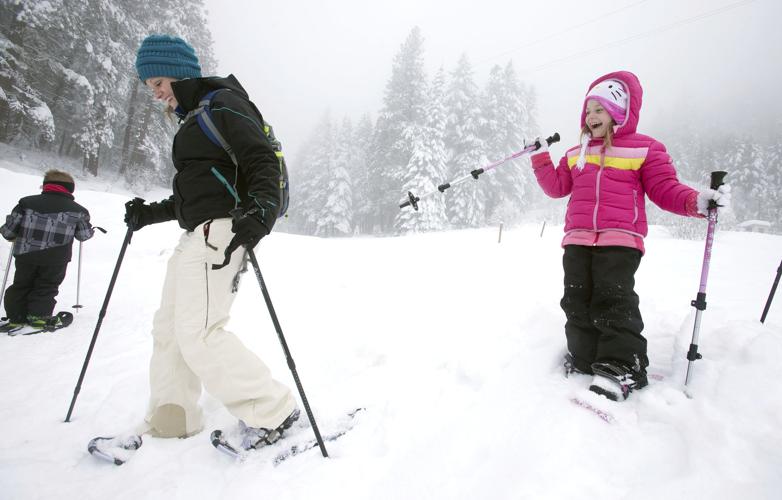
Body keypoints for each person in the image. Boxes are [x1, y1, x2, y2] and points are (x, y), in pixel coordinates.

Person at [125, 34, 298, 447]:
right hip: (197, 233)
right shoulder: (194, 118)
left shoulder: (223, 104)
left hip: (223, 232)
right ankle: (172, 417)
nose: (156, 93)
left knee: (199, 331)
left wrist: (261, 211)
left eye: (158, 83)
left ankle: (273, 410)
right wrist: (150, 214)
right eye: (150, 87)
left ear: (178, 73)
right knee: (169, 327)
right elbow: (202, 193)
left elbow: (260, 158)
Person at [529, 70, 730, 401]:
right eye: (588, 109)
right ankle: (584, 357)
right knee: (576, 300)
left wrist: (696, 201)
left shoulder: (644, 148)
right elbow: (556, 187)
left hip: (619, 239)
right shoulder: (576, 152)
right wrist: (539, 158)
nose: (591, 116)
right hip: (577, 238)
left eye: (600, 109)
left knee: (613, 300)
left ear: (618, 112)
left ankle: (623, 366)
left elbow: (664, 188)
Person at [0, 170, 94, 334]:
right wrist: (91, 231)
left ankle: (16, 317)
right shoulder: (79, 211)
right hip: (56, 257)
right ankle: (38, 317)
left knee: (21, 284)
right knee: (46, 286)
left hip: (26, 254)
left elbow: (8, 231)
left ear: (46, 186)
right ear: (70, 189)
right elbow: (83, 236)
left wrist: (14, 234)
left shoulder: (25, 203)